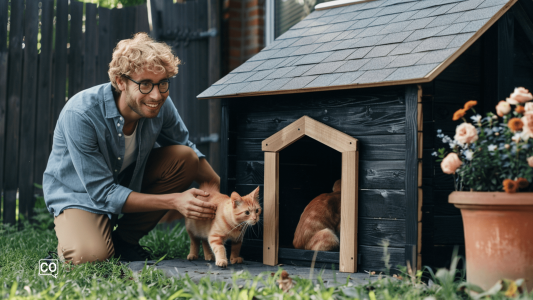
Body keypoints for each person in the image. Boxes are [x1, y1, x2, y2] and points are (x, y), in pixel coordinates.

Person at [43, 32, 220, 265]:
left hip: (127, 180)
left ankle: (124, 241)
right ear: (120, 82)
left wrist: (217, 186)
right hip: (80, 195)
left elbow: (185, 145)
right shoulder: (82, 114)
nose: (157, 95)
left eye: (163, 83)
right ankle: (62, 252)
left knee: (186, 158)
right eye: (145, 84)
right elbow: (103, 193)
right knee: (91, 256)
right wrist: (175, 201)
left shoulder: (159, 105)